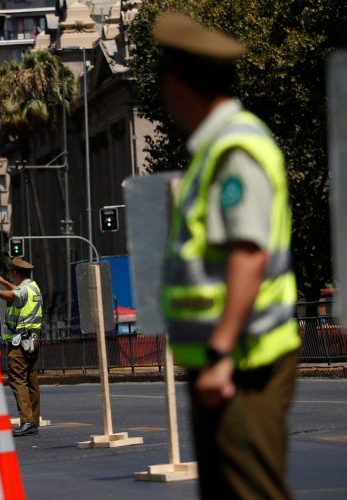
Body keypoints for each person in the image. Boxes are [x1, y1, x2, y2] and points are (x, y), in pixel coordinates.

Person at [154, 12, 302, 499]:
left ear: (178, 84)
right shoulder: (215, 148)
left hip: (243, 364)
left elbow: (248, 252)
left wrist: (219, 354)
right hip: (226, 363)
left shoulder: (236, 148)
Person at [0, 257, 42, 437]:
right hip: (33, 341)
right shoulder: (33, 287)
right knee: (32, 381)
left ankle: (27, 421)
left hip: (20, 343)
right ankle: (33, 420)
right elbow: (18, 291)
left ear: (16, 273)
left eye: (12, 274)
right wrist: (5, 283)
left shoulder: (22, 291)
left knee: (18, 380)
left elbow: (15, 295)